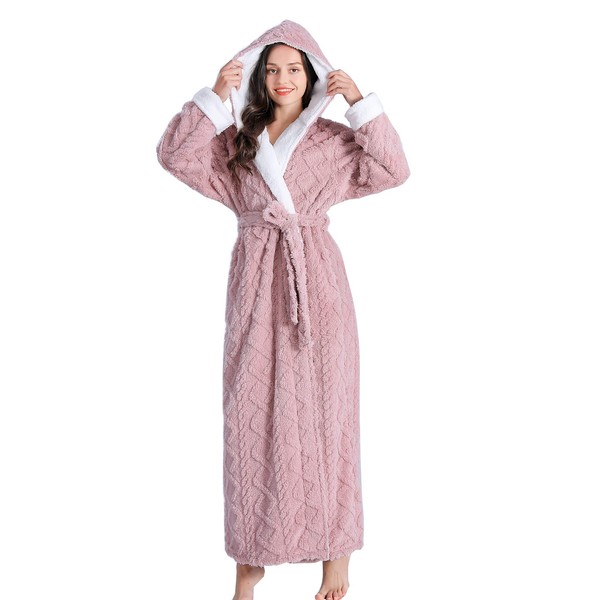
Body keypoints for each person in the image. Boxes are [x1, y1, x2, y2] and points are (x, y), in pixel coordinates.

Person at [156, 19, 410, 600]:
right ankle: (250, 559)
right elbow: (174, 155)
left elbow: (394, 169)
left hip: (316, 283)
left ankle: (336, 555)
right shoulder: (238, 141)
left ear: (313, 74)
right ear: (258, 76)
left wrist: (360, 104)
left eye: (294, 68)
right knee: (250, 412)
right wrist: (214, 96)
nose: (282, 79)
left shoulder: (331, 140)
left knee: (329, 413)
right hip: (255, 281)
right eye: (271, 69)